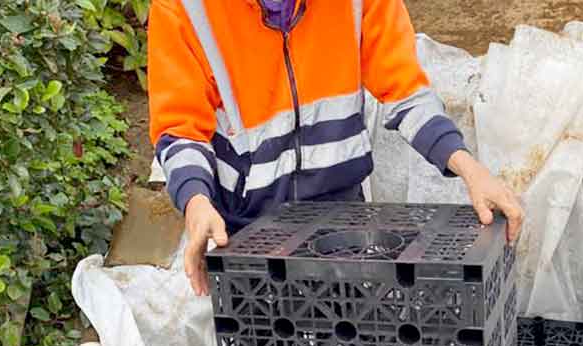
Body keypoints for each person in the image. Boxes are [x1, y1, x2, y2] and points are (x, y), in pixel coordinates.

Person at [148, 0, 525, 297]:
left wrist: (468, 167)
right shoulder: (185, 8)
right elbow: (181, 129)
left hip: (343, 217)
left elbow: (405, 89)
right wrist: (196, 202)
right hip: (246, 228)